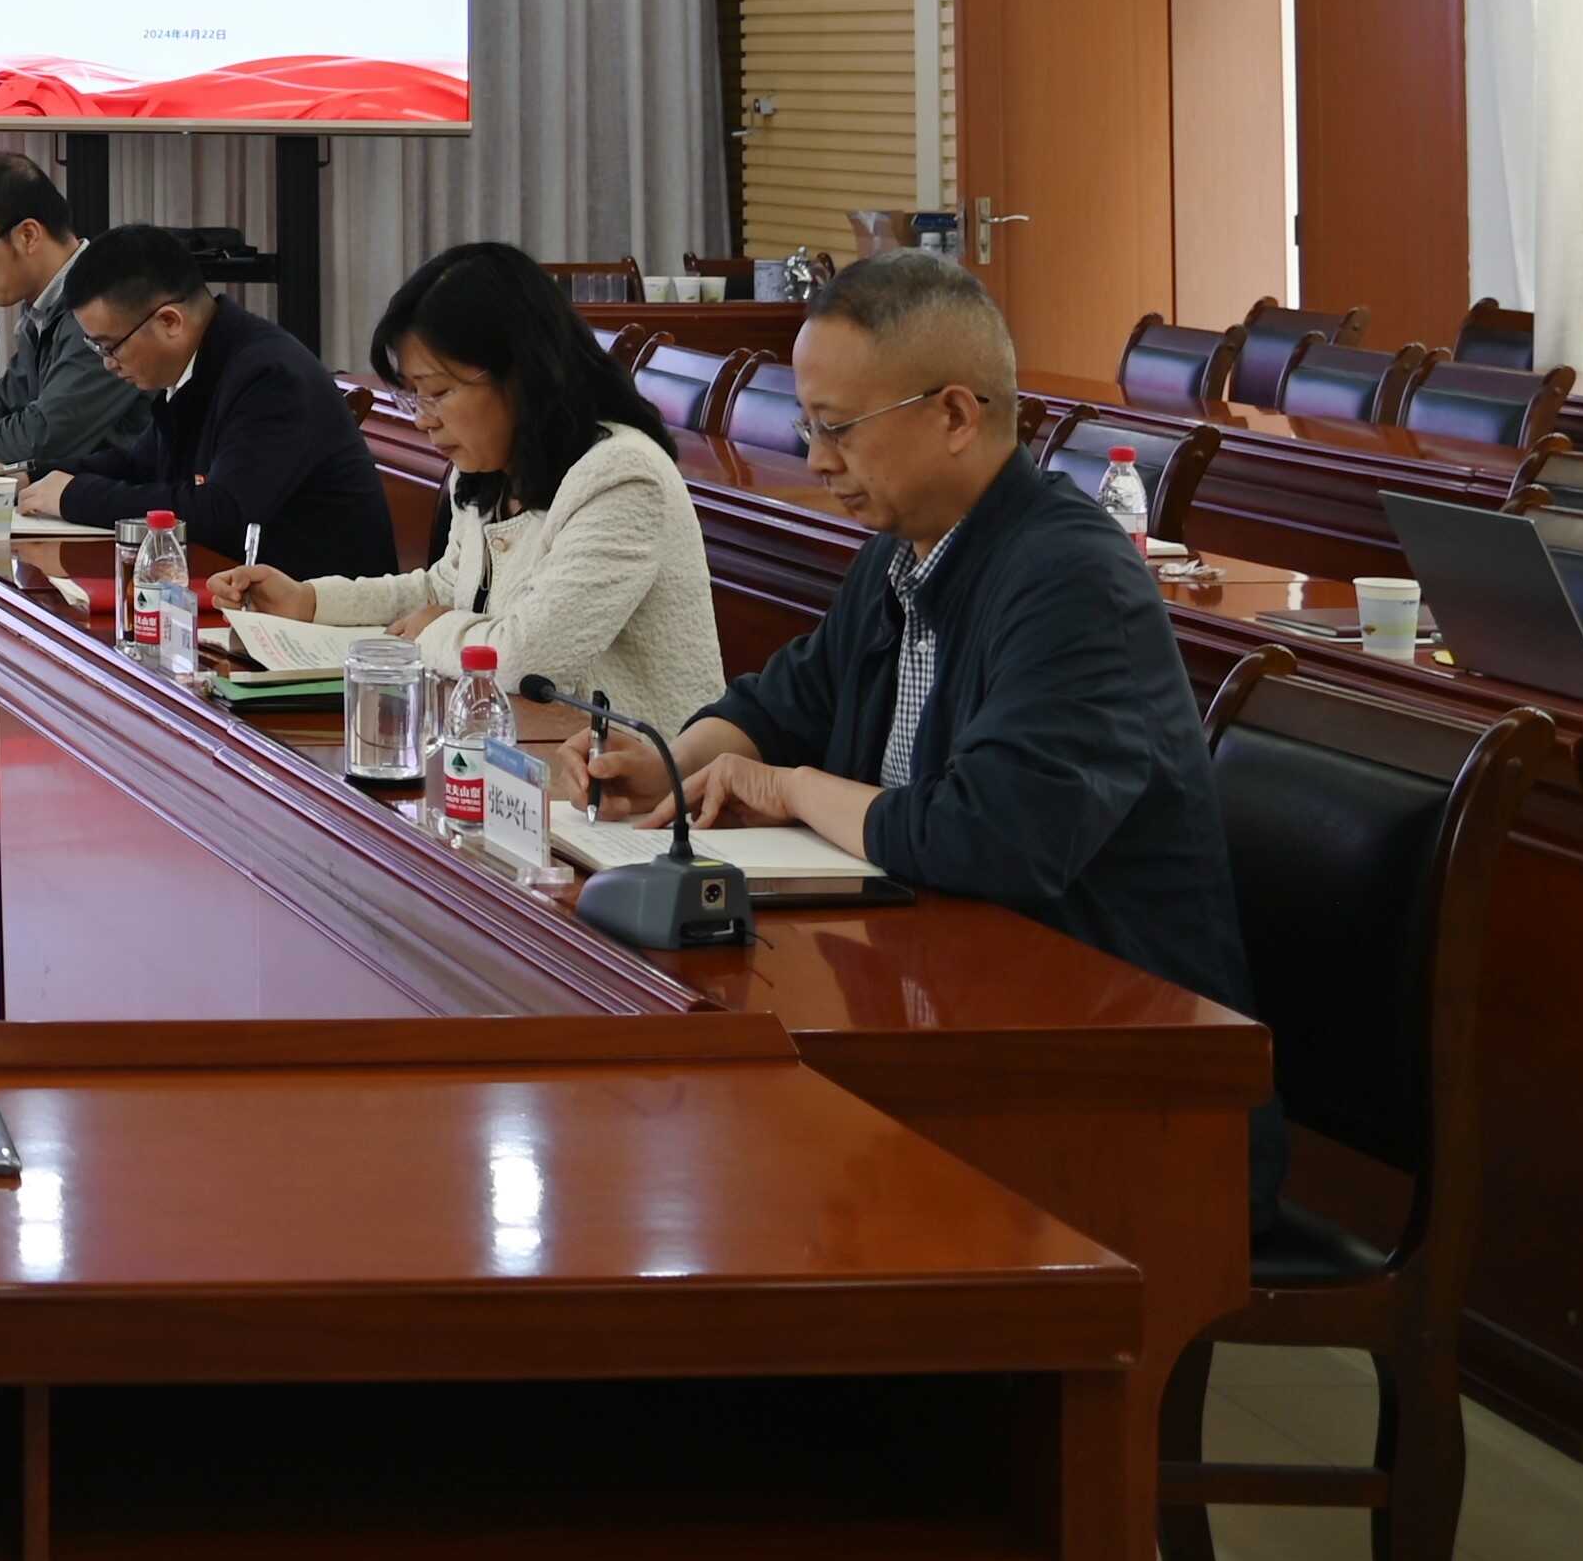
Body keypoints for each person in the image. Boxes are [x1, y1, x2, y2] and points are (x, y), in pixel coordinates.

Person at [575, 251, 1251, 1018]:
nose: (816, 460)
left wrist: (791, 789)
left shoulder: (1071, 580)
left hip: (1103, 1031)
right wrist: (668, 769)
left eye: (838, 429)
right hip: (937, 973)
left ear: (955, 416)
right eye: (806, 426)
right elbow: (784, 704)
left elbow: (987, 836)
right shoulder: (900, 550)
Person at [201, 241, 719, 728]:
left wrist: (431, 631)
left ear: (520, 372)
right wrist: (310, 601)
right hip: (520, 745)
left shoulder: (622, 477)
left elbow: (525, 659)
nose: (422, 419)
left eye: (437, 392)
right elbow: (443, 589)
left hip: (633, 776)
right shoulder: (489, 470)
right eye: (413, 395)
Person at [25, 221, 393, 578]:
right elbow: (139, 465)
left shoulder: (269, 377)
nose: (108, 364)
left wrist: (74, 497)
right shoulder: (204, 360)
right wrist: (30, 476)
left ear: (170, 322)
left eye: (110, 346)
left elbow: (224, 511)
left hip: (316, 606)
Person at [0, 151, 151, 479]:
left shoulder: (102, 305)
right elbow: (10, 399)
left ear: (28, 235)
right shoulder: (43, 302)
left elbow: (43, 438)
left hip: (123, 500)